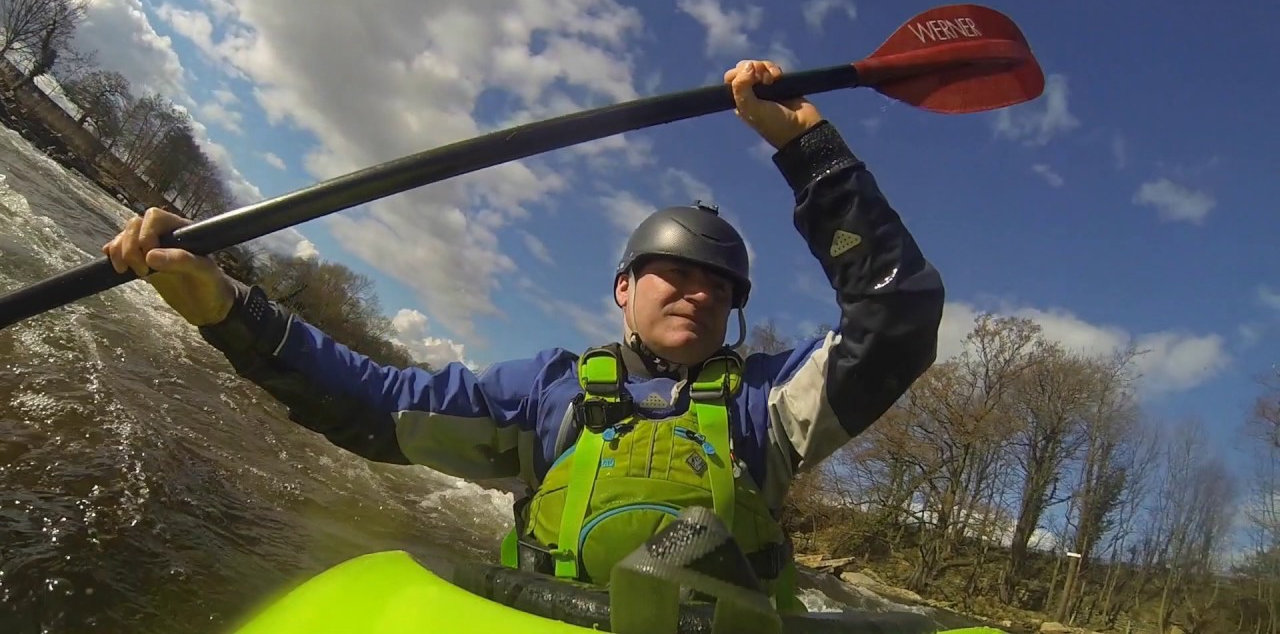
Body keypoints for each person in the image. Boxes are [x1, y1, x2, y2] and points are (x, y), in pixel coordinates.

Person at [102, 59, 945, 613]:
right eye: (677, 272)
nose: (699, 290)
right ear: (623, 288)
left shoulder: (770, 406)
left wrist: (811, 153)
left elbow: (896, 318)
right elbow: (379, 404)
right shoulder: (550, 392)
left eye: (719, 286)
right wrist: (225, 305)